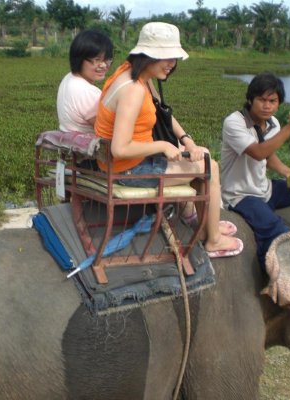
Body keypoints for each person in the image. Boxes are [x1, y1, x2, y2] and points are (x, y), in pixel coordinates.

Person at [94, 22, 242, 258]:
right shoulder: (132, 89)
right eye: (166, 57)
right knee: (210, 167)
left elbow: (163, 113)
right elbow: (119, 148)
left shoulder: (134, 75)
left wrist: (187, 141)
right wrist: (163, 145)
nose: (171, 64)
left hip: (133, 162)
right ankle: (213, 239)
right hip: (129, 170)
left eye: (174, 58)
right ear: (148, 54)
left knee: (201, 153)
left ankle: (206, 224)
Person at [220, 72, 290, 266]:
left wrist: (289, 173)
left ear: (279, 103)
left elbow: (268, 155)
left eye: (273, 101)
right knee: (276, 230)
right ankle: (266, 268)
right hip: (240, 194)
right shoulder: (234, 122)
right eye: (261, 100)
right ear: (250, 99)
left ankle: (267, 215)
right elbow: (258, 152)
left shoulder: (273, 123)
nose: (267, 106)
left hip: (264, 188)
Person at [56, 29, 113, 134]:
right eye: (97, 60)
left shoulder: (69, 78)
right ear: (79, 58)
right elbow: (107, 130)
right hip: (89, 147)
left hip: (70, 141)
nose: (104, 65)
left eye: (107, 60)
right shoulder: (87, 92)